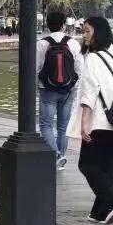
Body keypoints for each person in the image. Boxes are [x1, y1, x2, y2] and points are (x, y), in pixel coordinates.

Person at [68, 17, 113, 223]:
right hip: (112, 121)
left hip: (100, 121)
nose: (84, 35)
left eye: (87, 31)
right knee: (107, 168)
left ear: (98, 32)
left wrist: (84, 123)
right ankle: (100, 212)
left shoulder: (93, 58)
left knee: (88, 165)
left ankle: (110, 201)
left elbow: (89, 91)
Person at [36, 10, 84, 170]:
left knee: (45, 125)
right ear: (64, 25)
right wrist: (73, 85)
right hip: (68, 90)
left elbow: (35, 68)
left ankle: (57, 155)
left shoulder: (41, 44)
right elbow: (80, 69)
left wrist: (39, 83)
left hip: (47, 90)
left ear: (47, 24)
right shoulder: (73, 43)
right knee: (63, 127)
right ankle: (60, 160)